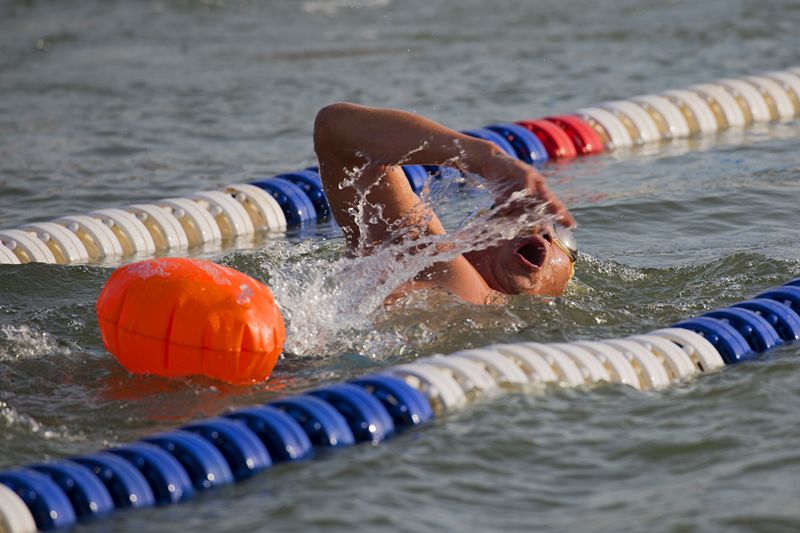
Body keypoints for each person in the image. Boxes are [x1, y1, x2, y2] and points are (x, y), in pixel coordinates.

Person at [313, 102, 577, 305]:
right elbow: (334, 130)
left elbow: (334, 131)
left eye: (564, 237)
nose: (543, 227)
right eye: (515, 214)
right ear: (470, 233)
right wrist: (485, 157)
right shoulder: (414, 247)